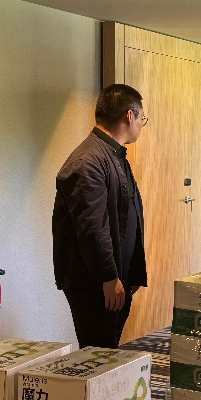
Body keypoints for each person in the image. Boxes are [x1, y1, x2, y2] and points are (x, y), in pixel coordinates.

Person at [52, 84, 148, 348]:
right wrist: (109, 277)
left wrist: (131, 273)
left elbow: (124, 216)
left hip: (114, 276)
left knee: (109, 351)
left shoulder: (113, 154)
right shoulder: (88, 161)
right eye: (143, 118)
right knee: (99, 353)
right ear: (129, 115)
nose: (142, 124)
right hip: (94, 282)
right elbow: (92, 228)